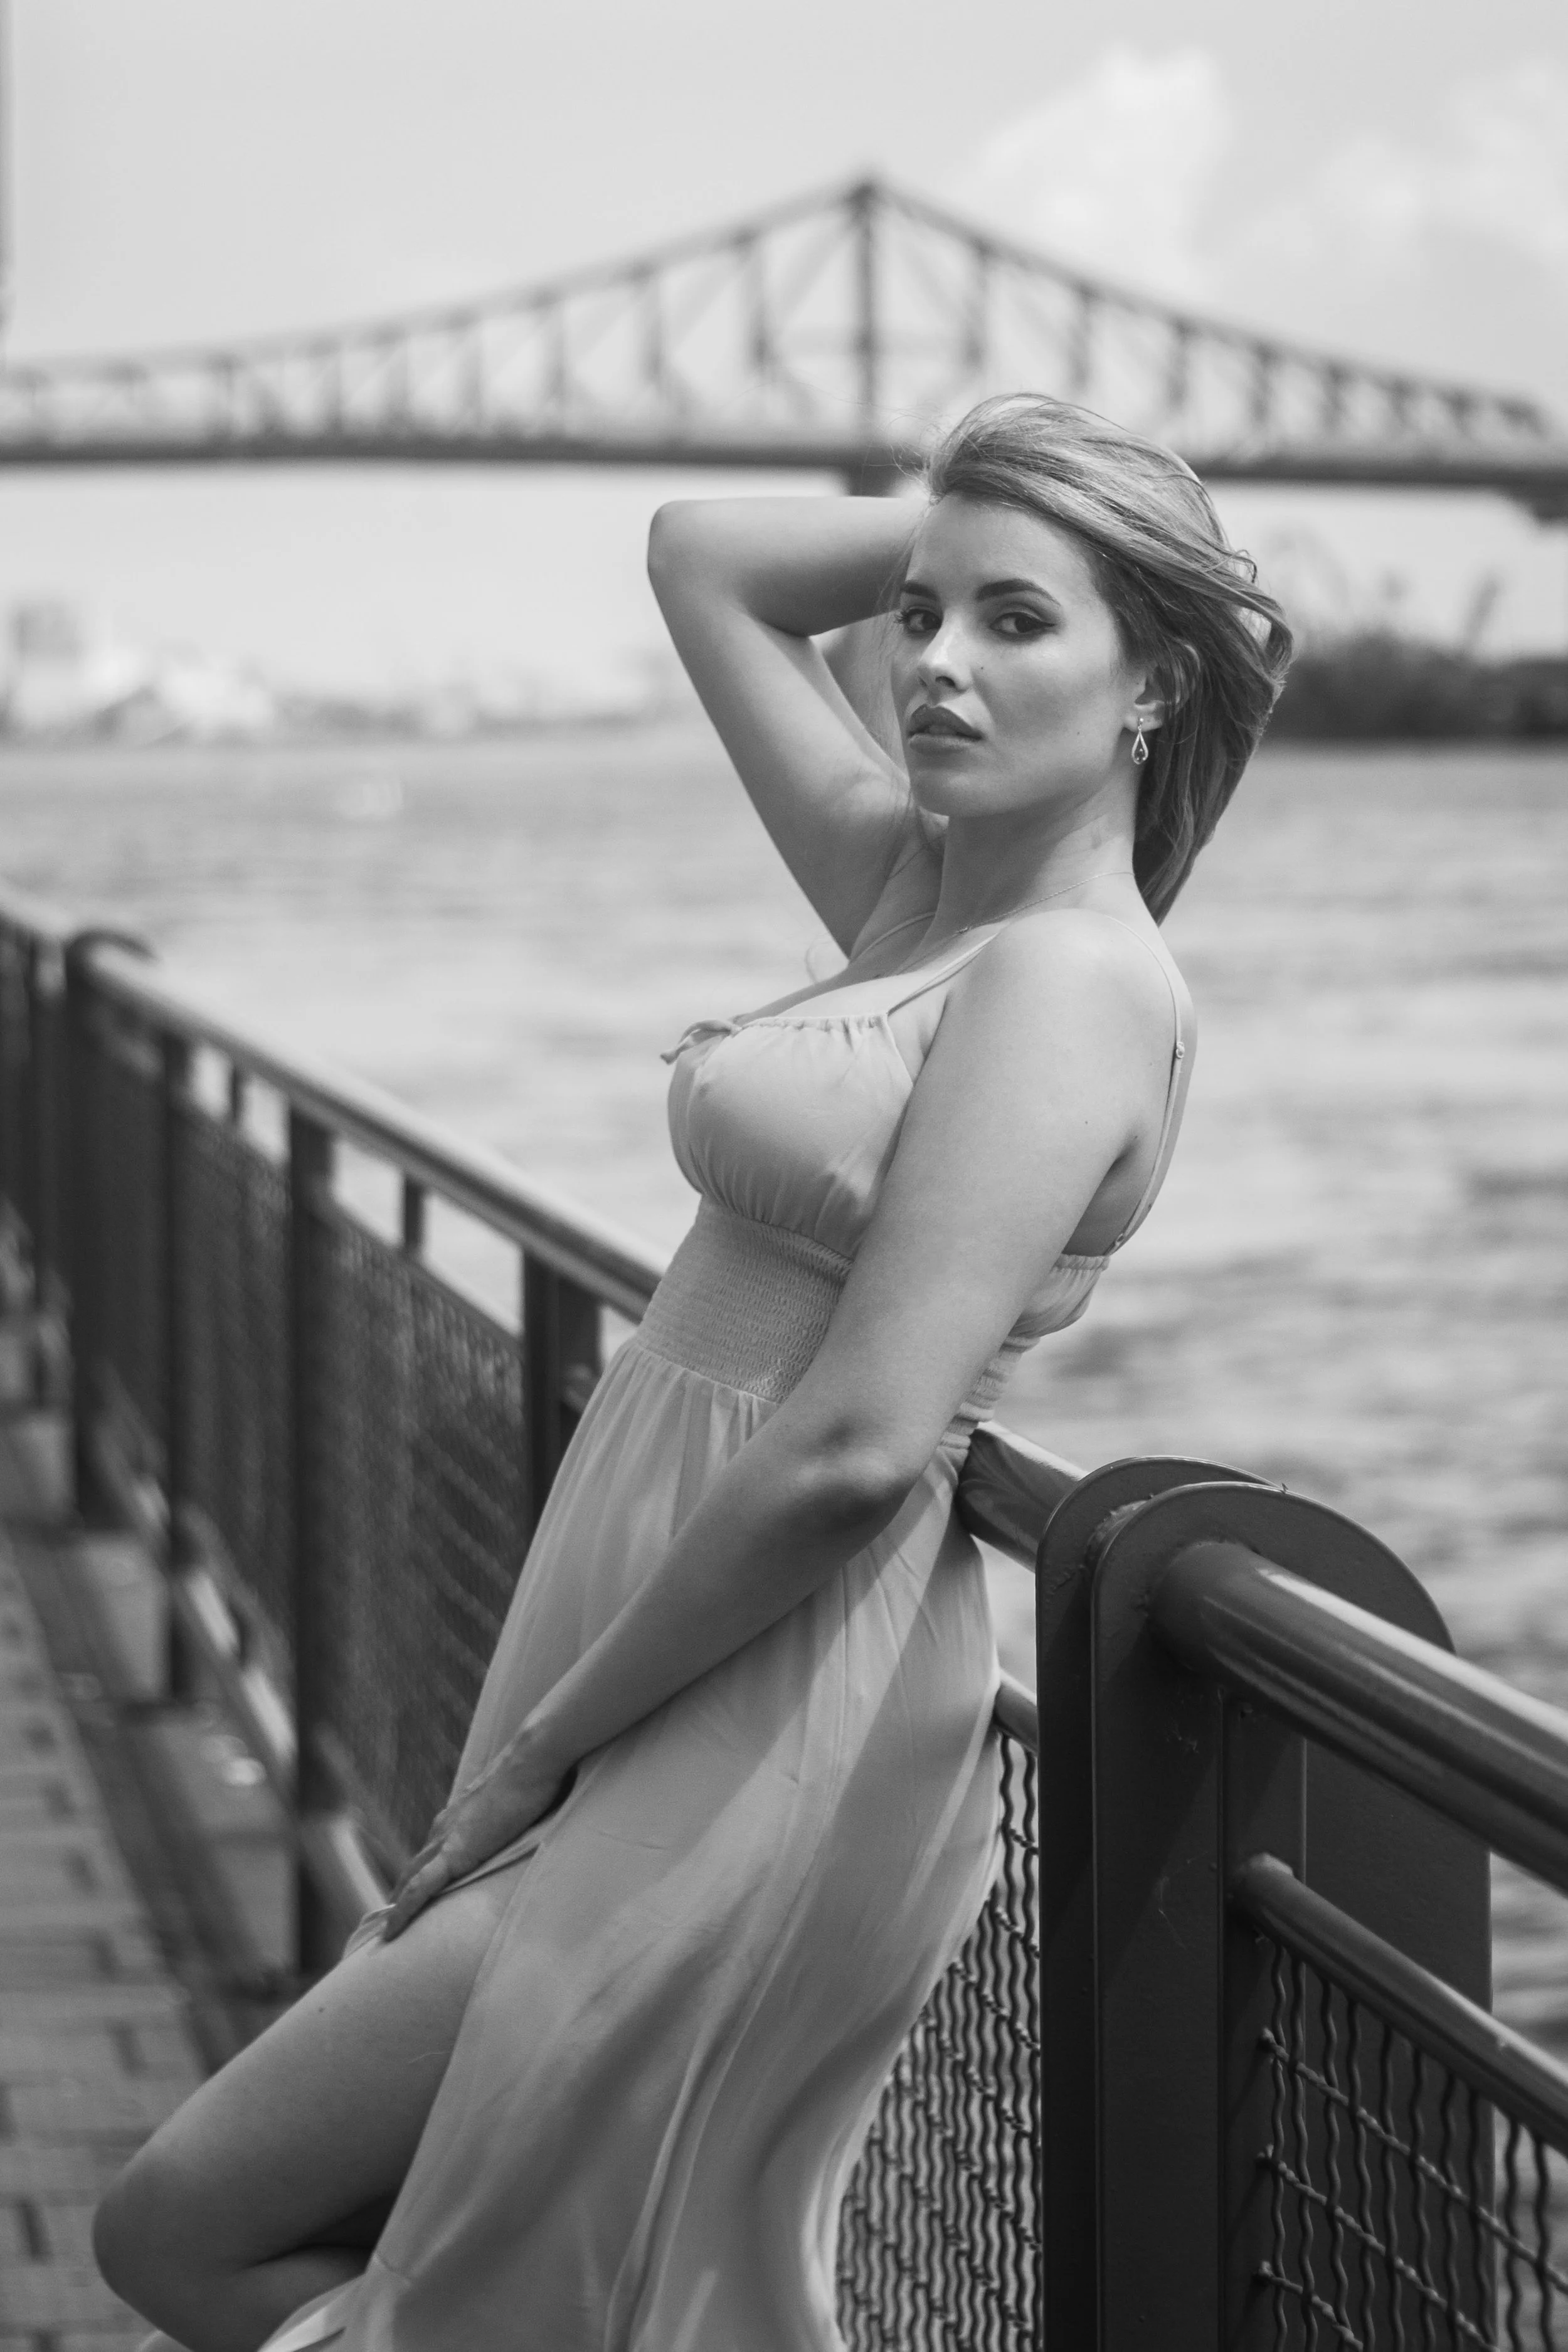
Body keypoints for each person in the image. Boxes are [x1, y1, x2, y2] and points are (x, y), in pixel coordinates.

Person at [96, 393, 1291, 2352]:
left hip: (776, 1675)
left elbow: (856, 1441)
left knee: (189, 2227)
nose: (933, 664)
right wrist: (1004, 511)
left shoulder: (1068, 982)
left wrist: (550, 1741)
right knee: (556, 2279)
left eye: (1016, 624)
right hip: (668, 1607)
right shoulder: (924, 898)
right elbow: (700, 555)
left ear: (1152, 682)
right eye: (919, 614)